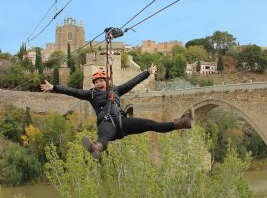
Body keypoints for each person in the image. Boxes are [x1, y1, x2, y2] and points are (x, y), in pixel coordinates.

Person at [40, 64, 192, 159]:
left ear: (106, 82)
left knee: (150, 124)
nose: (99, 84)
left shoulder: (116, 90)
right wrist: (54, 87)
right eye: (97, 82)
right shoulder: (91, 94)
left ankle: (181, 123)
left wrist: (147, 73)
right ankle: (97, 147)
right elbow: (72, 91)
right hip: (107, 123)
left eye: (101, 81)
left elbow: (131, 83)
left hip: (121, 122)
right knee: (104, 136)